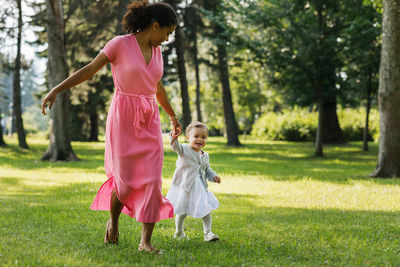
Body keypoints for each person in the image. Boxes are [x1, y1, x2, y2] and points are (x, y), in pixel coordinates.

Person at [41, 1, 182, 254]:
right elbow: (90, 70)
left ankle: (145, 242)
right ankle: (114, 222)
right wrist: (56, 89)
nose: (167, 39)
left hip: (150, 120)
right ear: (155, 25)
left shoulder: (158, 52)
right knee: (124, 181)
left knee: (152, 179)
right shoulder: (119, 44)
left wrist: (172, 116)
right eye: (167, 33)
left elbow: (157, 87)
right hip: (123, 118)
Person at [166, 121, 221, 242]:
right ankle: (179, 232)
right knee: (182, 210)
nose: (200, 139)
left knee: (206, 208)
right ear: (187, 138)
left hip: (200, 187)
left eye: (203, 137)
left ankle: (208, 233)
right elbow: (175, 146)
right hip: (185, 186)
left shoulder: (205, 155)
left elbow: (207, 170)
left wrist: (214, 177)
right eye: (196, 136)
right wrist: (173, 137)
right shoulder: (184, 149)